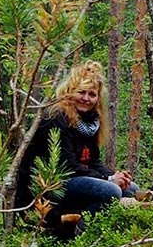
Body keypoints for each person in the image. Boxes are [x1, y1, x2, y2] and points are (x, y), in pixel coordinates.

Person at [17, 60, 138, 235]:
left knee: (130, 188)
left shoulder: (90, 120)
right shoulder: (56, 116)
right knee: (110, 190)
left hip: (74, 179)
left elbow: (93, 161)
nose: (86, 99)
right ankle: (78, 236)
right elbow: (67, 166)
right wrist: (109, 180)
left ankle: (101, 232)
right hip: (49, 185)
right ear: (69, 91)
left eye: (92, 94)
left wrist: (115, 175)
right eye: (81, 92)